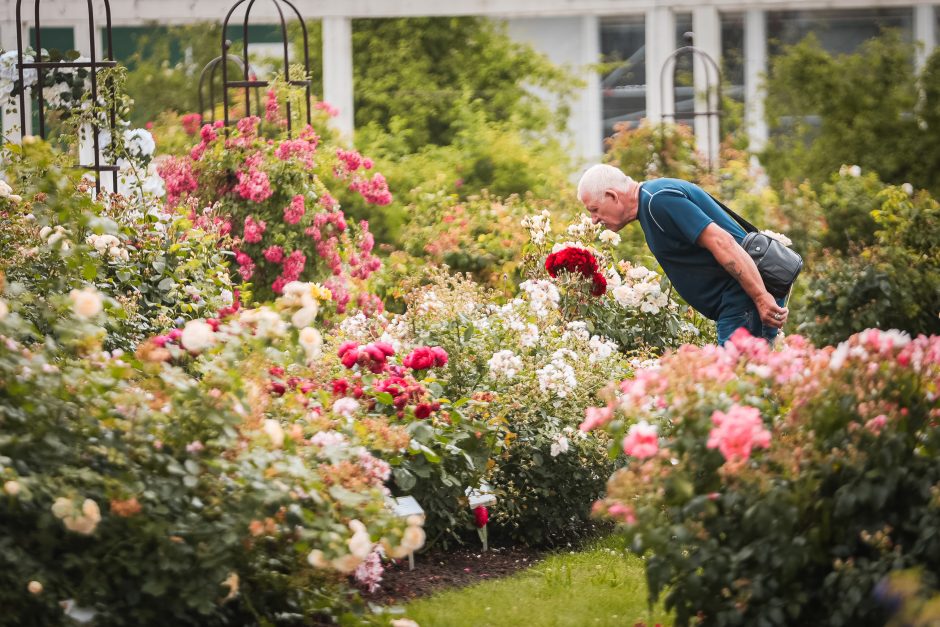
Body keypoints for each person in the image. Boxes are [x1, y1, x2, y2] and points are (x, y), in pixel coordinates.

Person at [576, 164, 788, 346]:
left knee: (739, 384)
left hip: (742, 302)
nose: (594, 219)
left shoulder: (658, 201)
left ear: (612, 195)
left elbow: (723, 242)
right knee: (747, 384)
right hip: (739, 305)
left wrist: (760, 297)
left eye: (594, 209)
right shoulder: (652, 200)